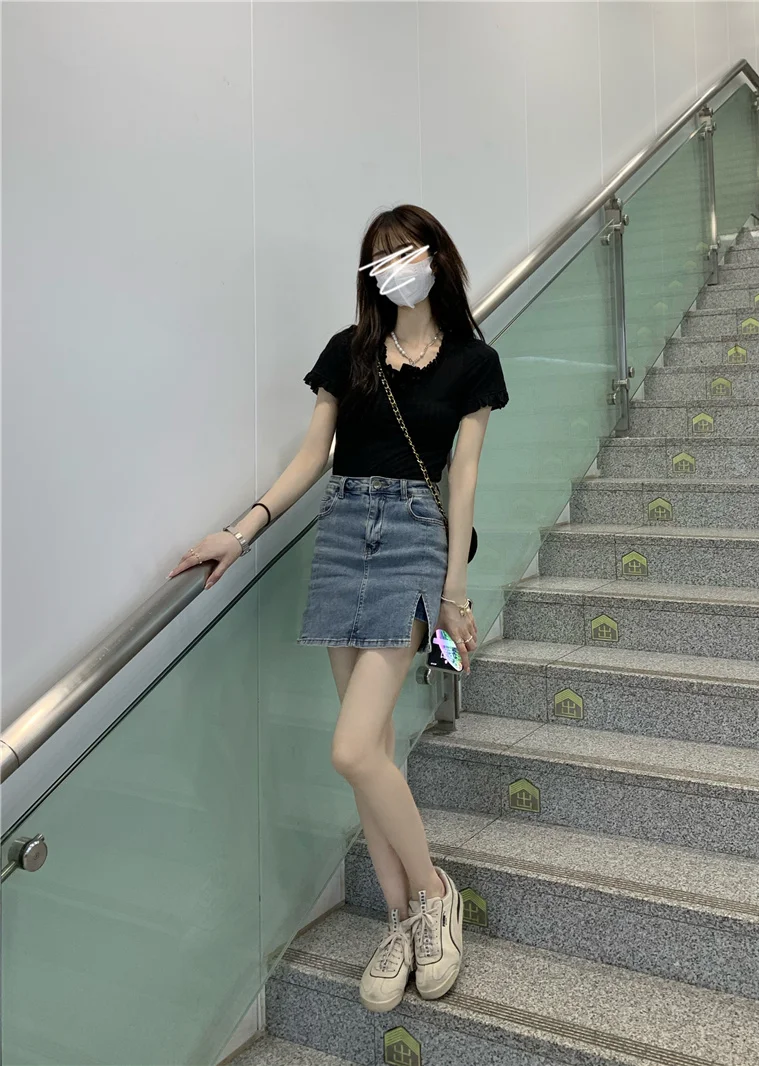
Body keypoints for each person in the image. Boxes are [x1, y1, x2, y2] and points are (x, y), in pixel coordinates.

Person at [167, 204, 508, 1012]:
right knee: (374, 750)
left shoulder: (474, 362)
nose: (394, 268)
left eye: (406, 252)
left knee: (351, 749)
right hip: (343, 534)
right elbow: (310, 457)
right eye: (379, 257)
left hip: (415, 539)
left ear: (437, 257)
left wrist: (455, 589)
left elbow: (462, 480)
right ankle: (398, 919)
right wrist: (240, 532)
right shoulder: (348, 350)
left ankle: (434, 896)